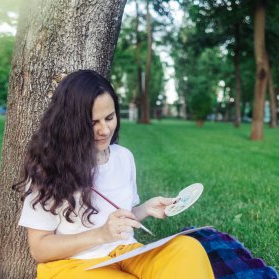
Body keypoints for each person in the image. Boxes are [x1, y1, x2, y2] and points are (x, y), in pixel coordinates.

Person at [15, 70, 214, 278]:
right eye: (93, 123)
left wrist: (146, 209)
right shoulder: (48, 168)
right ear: (71, 124)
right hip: (74, 266)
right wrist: (100, 235)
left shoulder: (124, 157)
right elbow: (39, 249)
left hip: (126, 254)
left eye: (109, 118)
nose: (105, 130)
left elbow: (118, 222)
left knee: (188, 249)